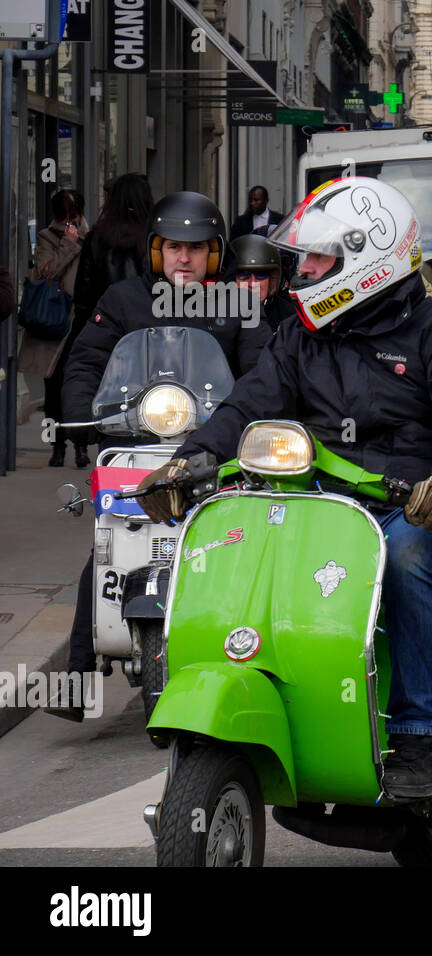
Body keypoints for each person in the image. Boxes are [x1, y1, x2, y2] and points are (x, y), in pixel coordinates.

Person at [135, 178, 432, 800]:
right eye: (304, 256)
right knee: (237, 535)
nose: (303, 269)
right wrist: (191, 458)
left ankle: (419, 737)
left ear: (367, 261)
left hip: (416, 508)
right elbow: (246, 405)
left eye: (319, 258)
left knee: (408, 556)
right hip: (317, 501)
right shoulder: (300, 336)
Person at [47, 190, 271, 722]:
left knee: (238, 540)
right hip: (138, 445)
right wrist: (82, 417)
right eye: (173, 247)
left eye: (196, 248)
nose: (184, 258)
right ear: (156, 251)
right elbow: (86, 360)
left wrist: (243, 422)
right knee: (107, 546)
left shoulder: (239, 306)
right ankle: (79, 676)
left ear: (215, 254)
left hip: (213, 449)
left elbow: (263, 373)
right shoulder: (123, 300)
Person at [68, 173, 154, 461]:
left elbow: (83, 296)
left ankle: (112, 464)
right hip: (147, 334)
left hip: (106, 331)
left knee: (113, 408)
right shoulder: (152, 239)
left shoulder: (97, 238)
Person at [18, 189, 87, 467]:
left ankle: (82, 445)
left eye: (74, 214)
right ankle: (57, 446)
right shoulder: (48, 238)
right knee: (54, 388)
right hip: (57, 321)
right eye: (65, 214)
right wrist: (68, 245)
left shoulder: (90, 237)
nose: (70, 220)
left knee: (82, 386)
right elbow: (46, 272)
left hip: (81, 320)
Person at [230, 234, 296, 333]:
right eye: (244, 275)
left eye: (261, 274)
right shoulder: (216, 314)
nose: (252, 284)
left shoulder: (290, 318)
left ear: (272, 280)